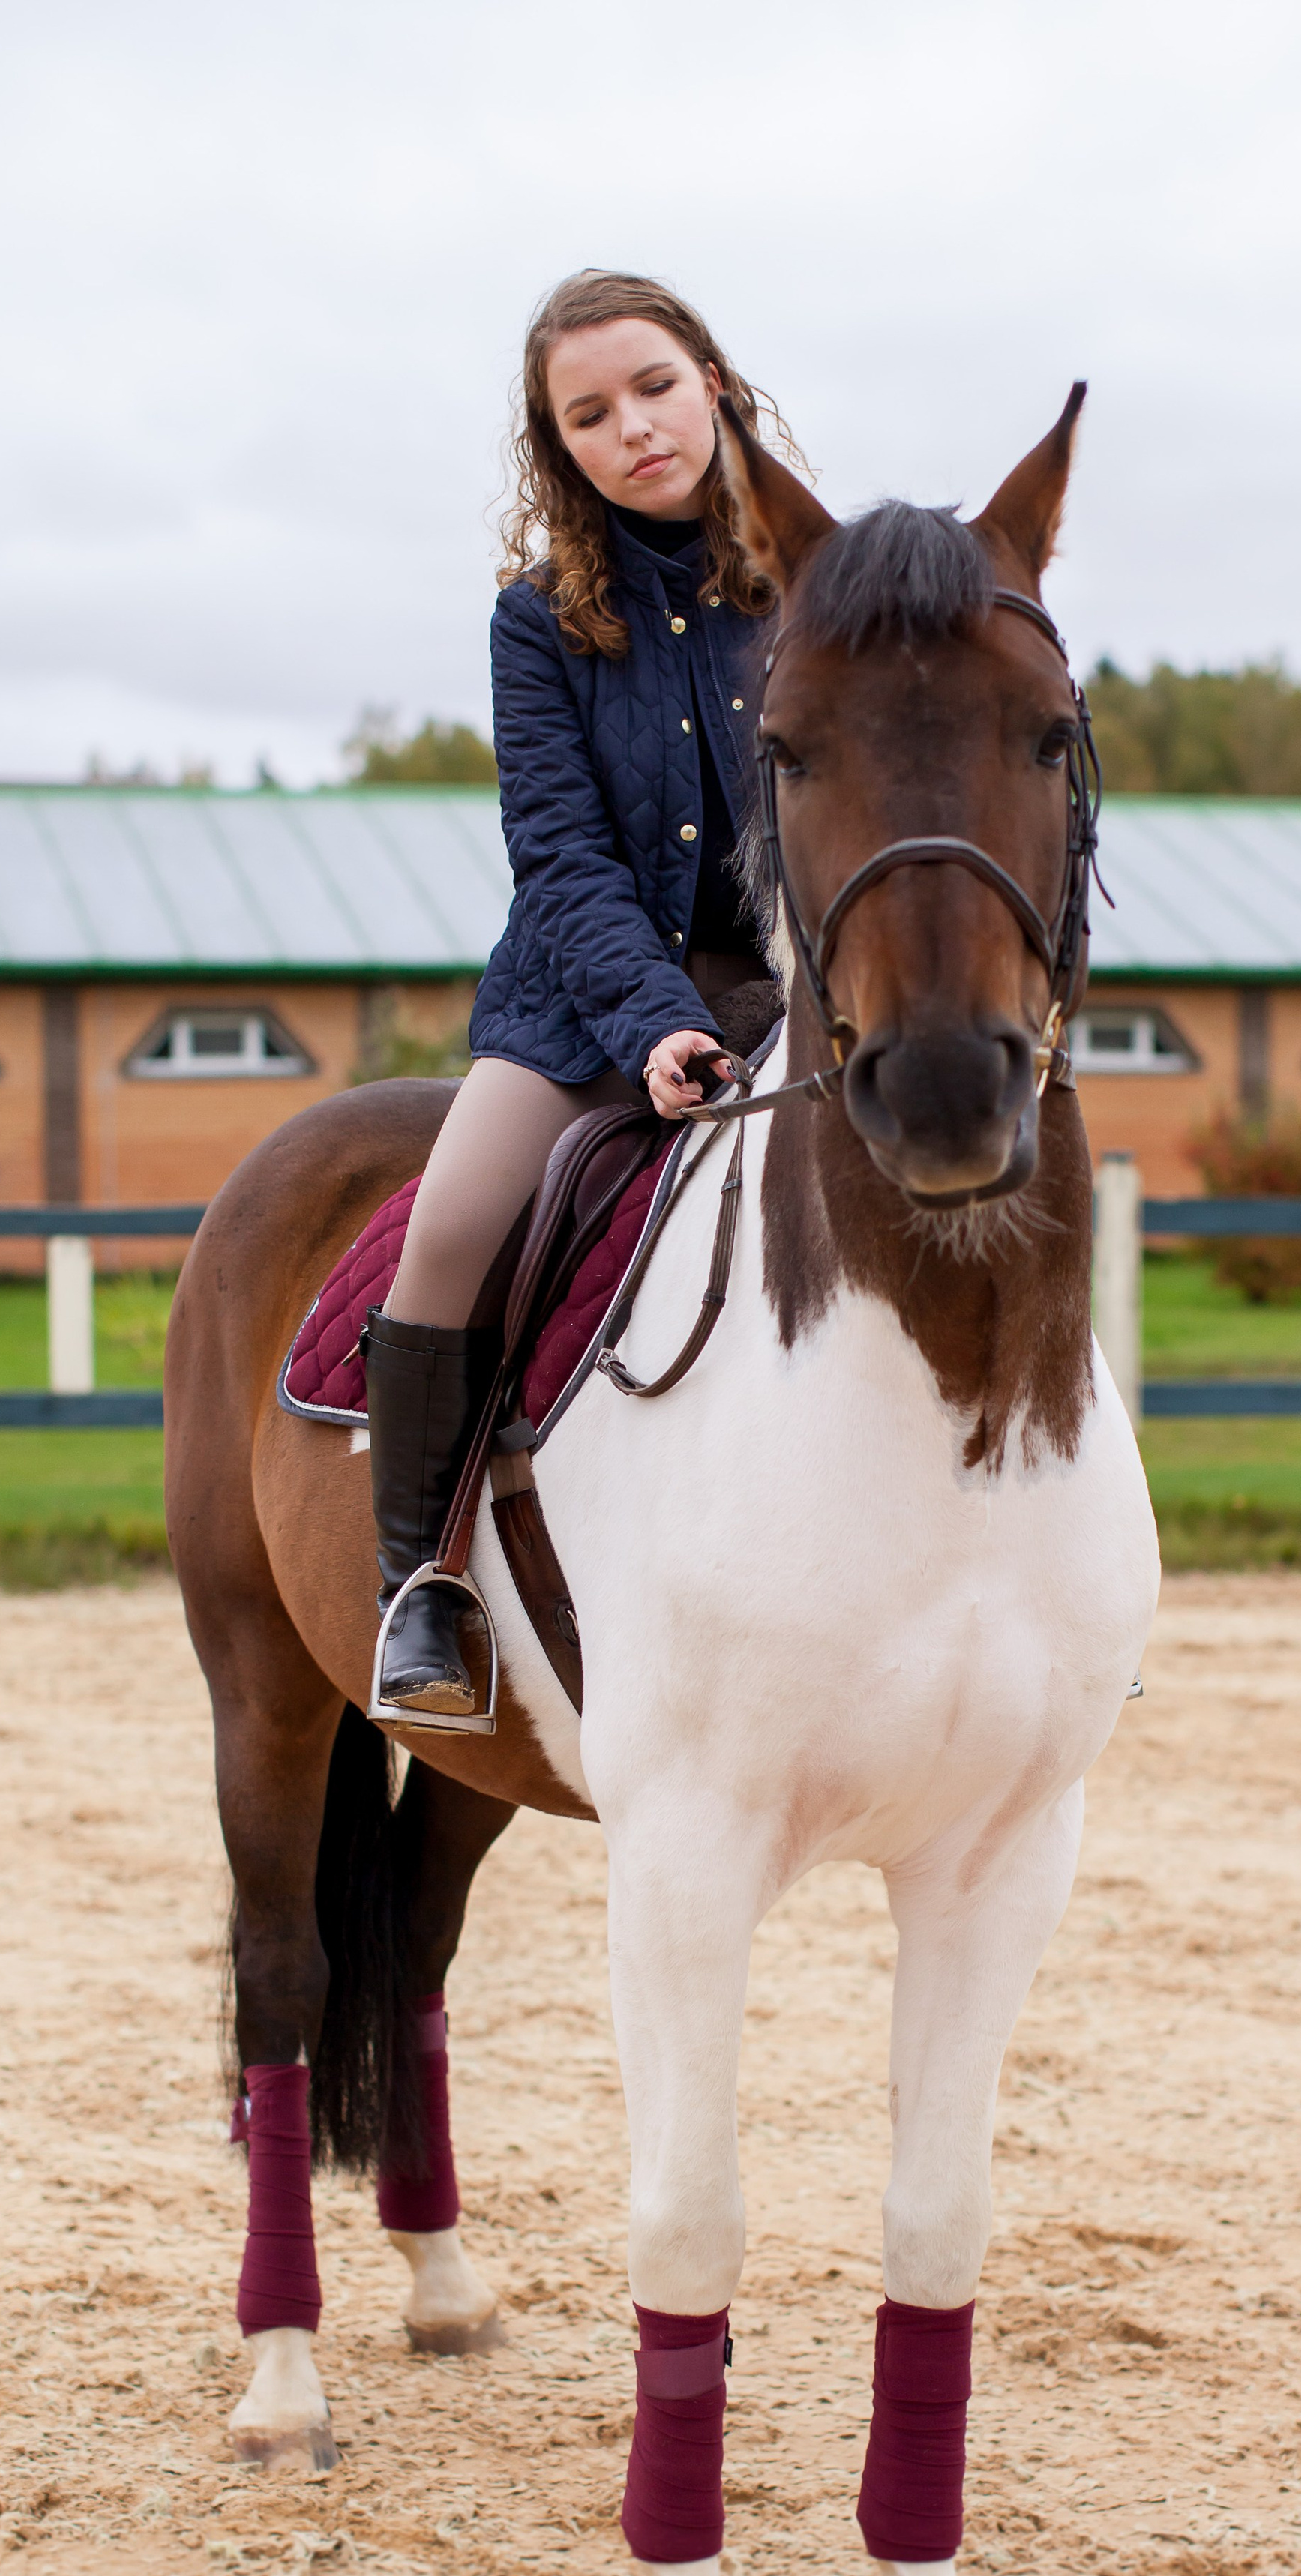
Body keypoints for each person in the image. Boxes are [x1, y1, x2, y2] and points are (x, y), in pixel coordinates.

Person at [363, 270, 800, 1715]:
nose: (635, 429)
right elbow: (558, 855)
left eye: (655, 388)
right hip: (583, 994)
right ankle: (421, 1591)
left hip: (802, 988)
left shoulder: (824, 583)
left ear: (717, 384)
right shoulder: (538, 623)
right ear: (563, 450)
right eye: (590, 414)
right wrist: (654, 1023)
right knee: (453, 1228)